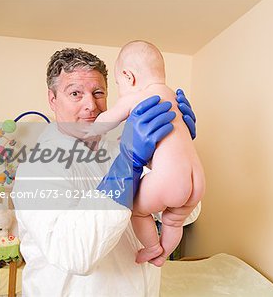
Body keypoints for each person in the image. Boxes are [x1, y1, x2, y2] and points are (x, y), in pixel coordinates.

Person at [11, 48, 200, 296]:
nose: (91, 105)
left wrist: (173, 151)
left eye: (98, 93)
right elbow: (74, 254)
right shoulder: (37, 167)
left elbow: (187, 212)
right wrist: (126, 166)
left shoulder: (124, 147)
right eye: (75, 93)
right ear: (53, 99)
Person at [87, 40, 205, 267]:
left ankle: (153, 249)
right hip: (198, 179)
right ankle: (163, 255)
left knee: (136, 211)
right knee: (174, 222)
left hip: (170, 180)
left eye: (119, 84)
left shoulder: (137, 97)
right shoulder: (173, 97)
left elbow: (103, 123)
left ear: (128, 77)